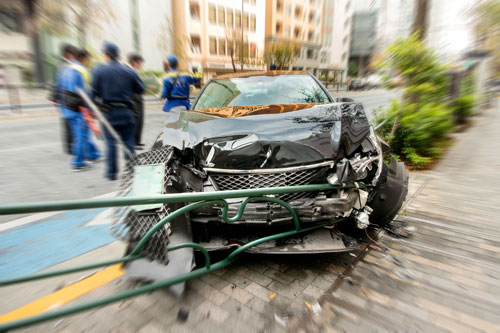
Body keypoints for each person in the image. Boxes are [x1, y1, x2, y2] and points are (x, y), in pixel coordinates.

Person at [92, 42, 145, 181]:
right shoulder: (129, 71)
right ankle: (132, 171)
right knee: (128, 142)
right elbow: (140, 89)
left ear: (106, 54)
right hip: (126, 111)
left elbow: (92, 95)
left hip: (108, 113)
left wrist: (96, 108)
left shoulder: (99, 71)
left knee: (110, 143)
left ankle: (112, 173)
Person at [56, 47, 100, 171]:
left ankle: (93, 154)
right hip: (78, 109)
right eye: (88, 60)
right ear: (84, 58)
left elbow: (59, 89)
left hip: (66, 108)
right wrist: (92, 111)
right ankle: (78, 162)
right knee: (82, 135)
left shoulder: (65, 70)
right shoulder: (82, 71)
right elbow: (86, 93)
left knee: (79, 135)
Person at [50, 44, 77, 155]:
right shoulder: (68, 66)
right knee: (71, 122)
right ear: (68, 54)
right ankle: (72, 147)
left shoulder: (60, 66)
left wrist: (54, 97)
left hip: (63, 99)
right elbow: (58, 83)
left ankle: (69, 147)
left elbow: (56, 84)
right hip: (69, 99)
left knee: (67, 123)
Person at [127, 53, 145, 150]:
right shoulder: (130, 71)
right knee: (136, 120)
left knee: (139, 120)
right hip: (134, 98)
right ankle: (135, 142)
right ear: (135, 62)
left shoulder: (133, 71)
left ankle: (137, 141)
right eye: (140, 63)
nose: (141, 65)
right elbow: (140, 87)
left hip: (136, 98)